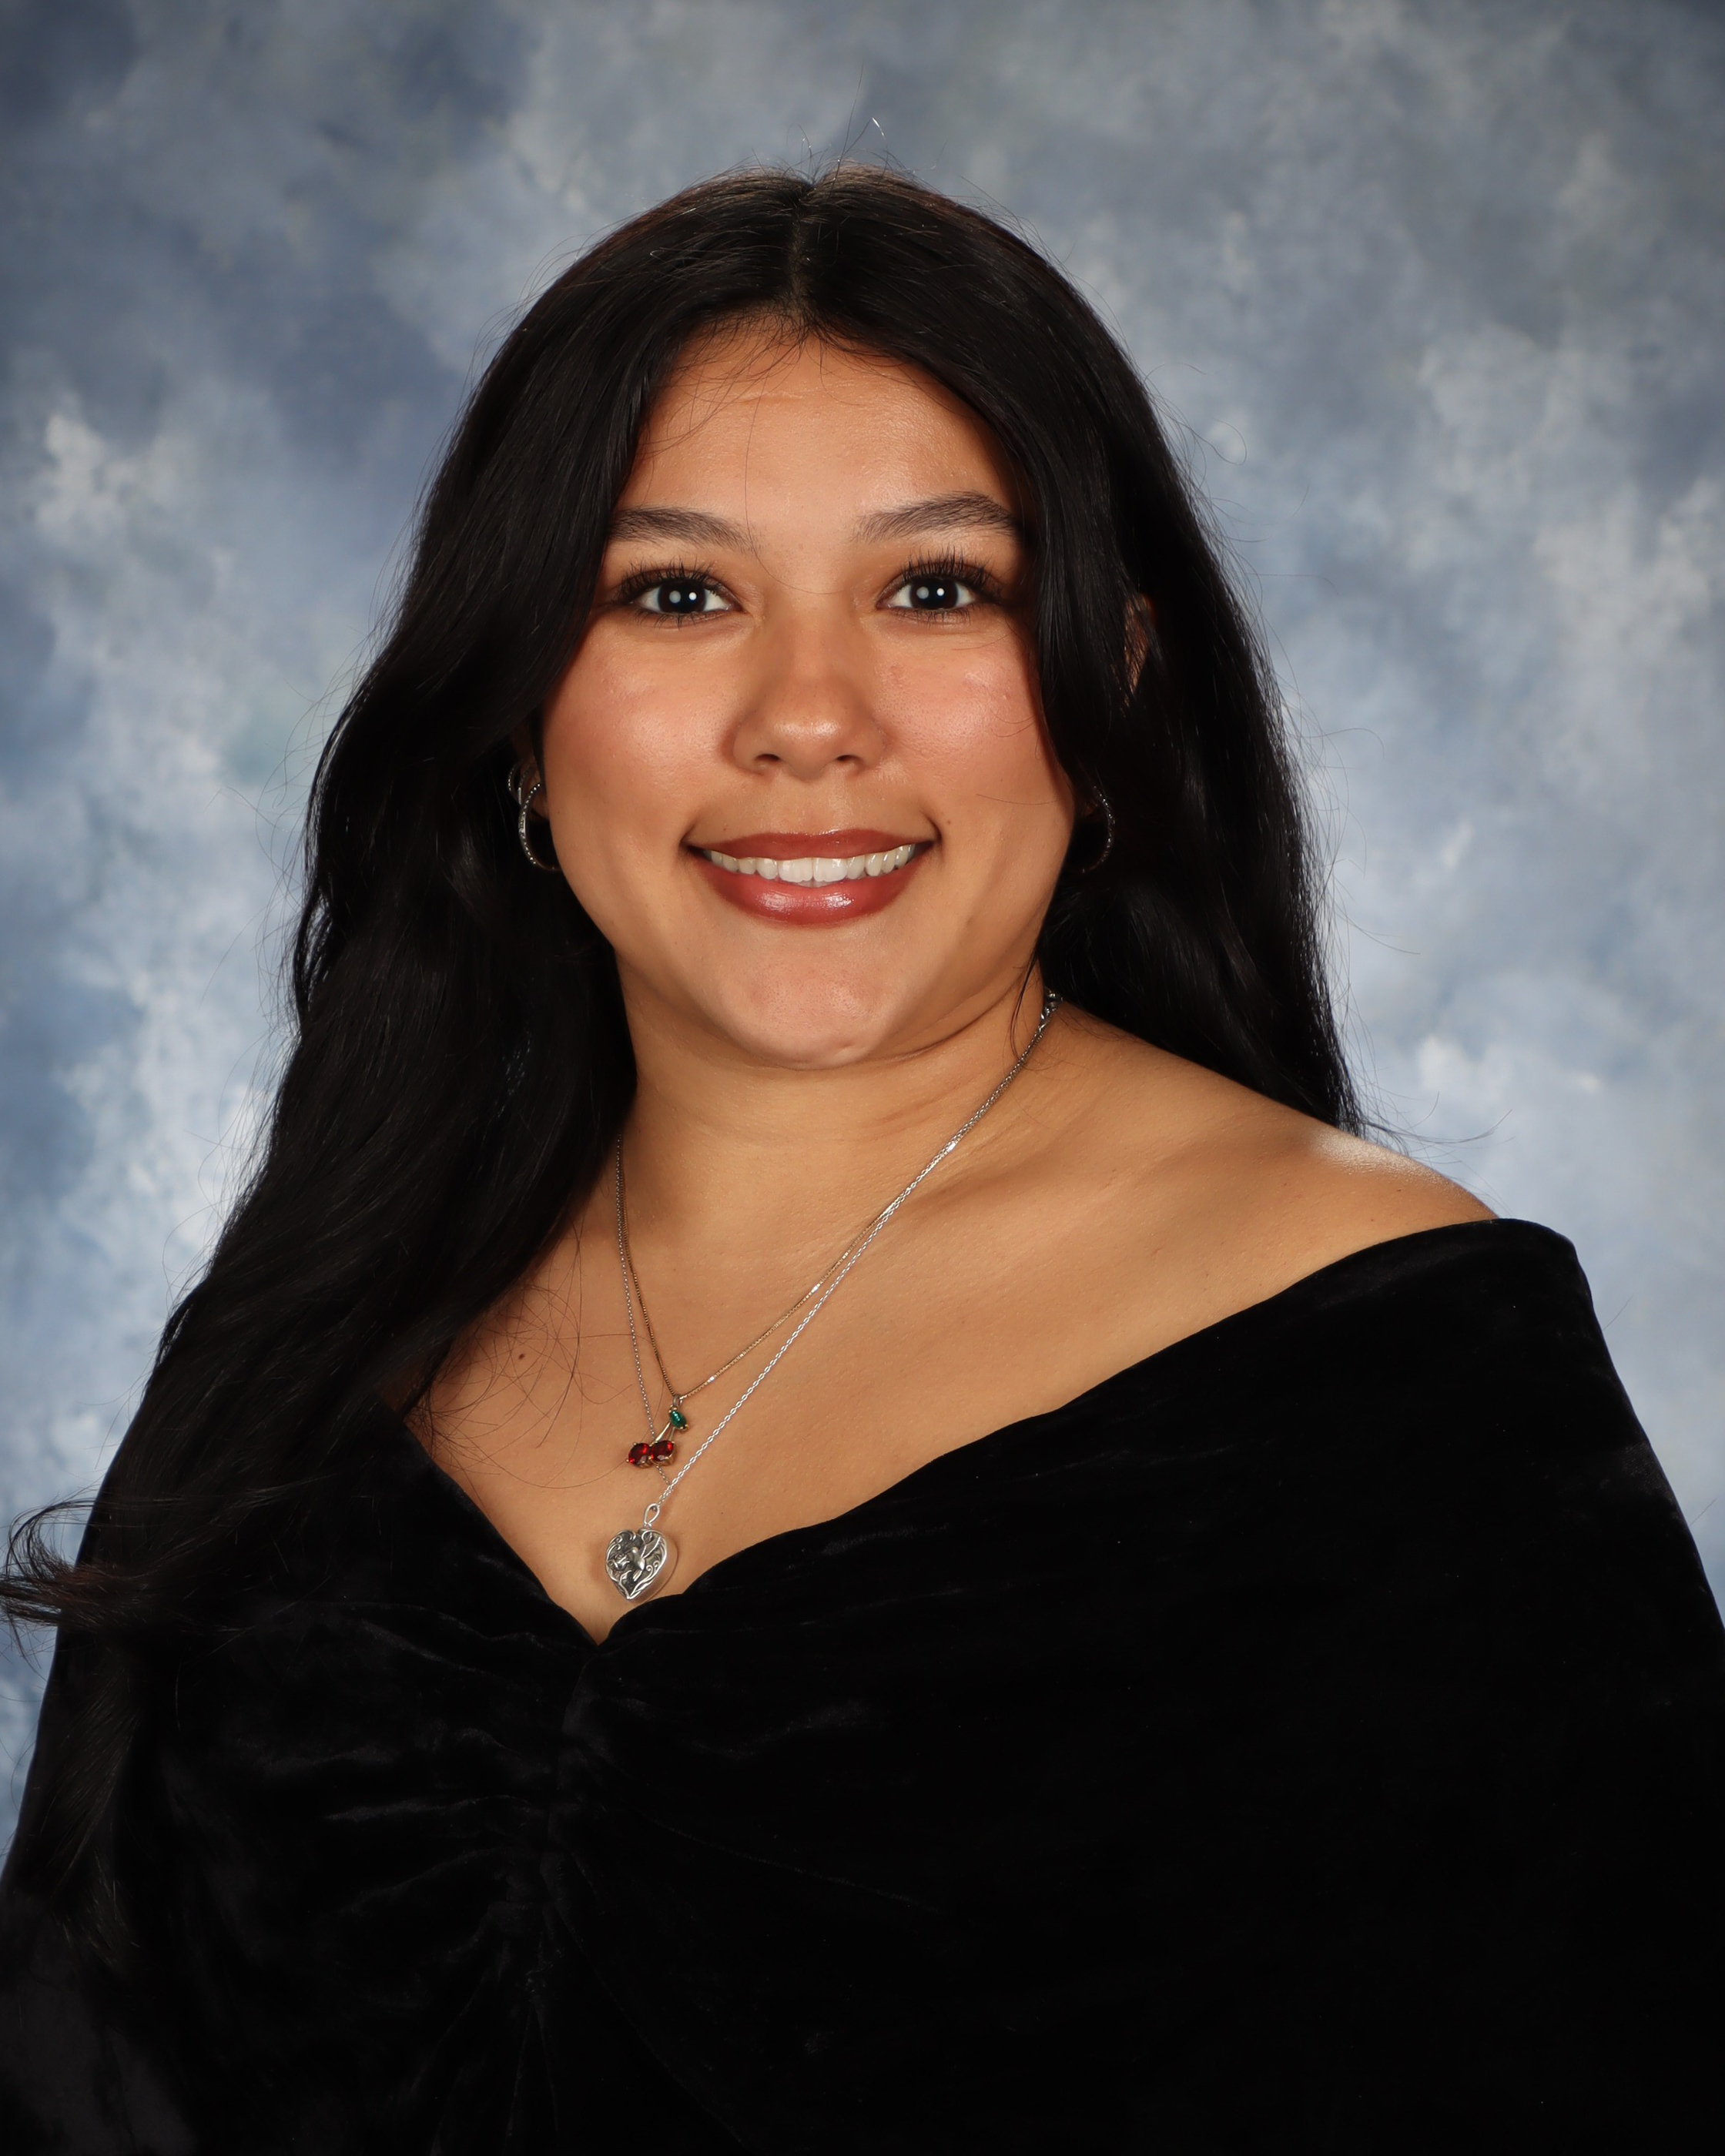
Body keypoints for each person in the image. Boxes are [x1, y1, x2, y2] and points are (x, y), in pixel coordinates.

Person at [2, 166, 1720, 2152]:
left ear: (1115, 672)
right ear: (517, 707)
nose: (806, 720)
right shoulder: (319, 1319)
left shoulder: (1404, 1375)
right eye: (675, 594)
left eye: (935, 590)